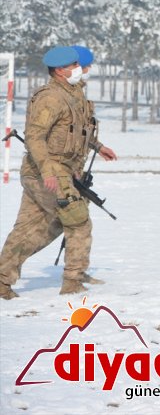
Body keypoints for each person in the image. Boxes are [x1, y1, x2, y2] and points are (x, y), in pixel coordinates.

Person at [0, 46, 116, 299]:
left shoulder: (72, 94)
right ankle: (73, 281)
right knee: (78, 222)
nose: (79, 68)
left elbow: (74, 131)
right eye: (74, 64)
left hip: (54, 171)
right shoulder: (50, 97)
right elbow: (34, 136)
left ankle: (2, 281)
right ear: (60, 70)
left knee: (31, 229)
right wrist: (47, 171)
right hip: (47, 172)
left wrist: (98, 146)